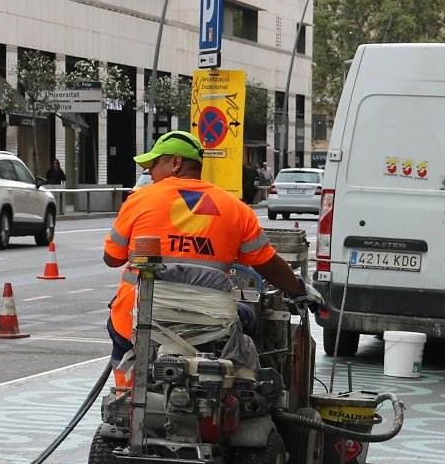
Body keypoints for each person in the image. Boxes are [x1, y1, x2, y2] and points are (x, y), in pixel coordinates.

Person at [101, 130, 302, 385]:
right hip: (212, 330)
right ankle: (235, 391)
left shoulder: (140, 200)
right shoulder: (237, 209)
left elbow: (112, 258)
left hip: (141, 321)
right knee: (248, 318)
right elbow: (268, 264)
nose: (149, 173)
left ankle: (126, 396)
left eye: (153, 164)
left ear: (175, 163)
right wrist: (298, 289)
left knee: (118, 328)